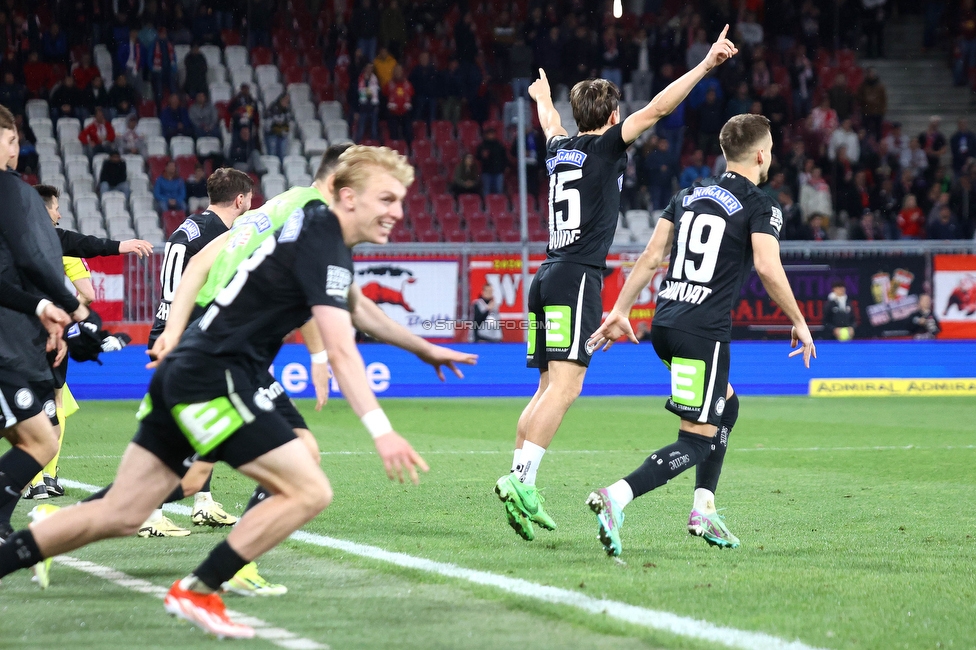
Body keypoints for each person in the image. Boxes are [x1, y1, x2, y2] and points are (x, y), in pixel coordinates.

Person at [0, 146, 433, 638]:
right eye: (388, 199)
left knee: (123, 512)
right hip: (217, 375)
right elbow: (339, 341)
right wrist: (381, 430)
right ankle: (203, 585)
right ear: (347, 194)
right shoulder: (317, 226)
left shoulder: (310, 225)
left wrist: (425, 349)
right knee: (308, 484)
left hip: (196, 366)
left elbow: (348, 305)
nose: (398, 211)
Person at [494, 27, 739, 544]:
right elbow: (657, 109)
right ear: (610, 118)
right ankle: (522, 482)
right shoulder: (607, 146)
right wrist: (706, 66)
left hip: (546, 274)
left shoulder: (561, 148)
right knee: (567, 385)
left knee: (545, 386)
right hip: (577, 275)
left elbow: (551, 124)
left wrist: (541, 99)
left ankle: (519, 478)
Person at [585, 114, 817, 557]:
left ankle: (703, 507)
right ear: (762, 154)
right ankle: (616, 497)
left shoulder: (688, 193)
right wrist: (800, 320)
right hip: (703, 331)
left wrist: (620, 309)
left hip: (667, 323)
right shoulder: (761, 204)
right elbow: (768, 267)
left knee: (725, 404)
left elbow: (653, 256)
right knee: (695, 439)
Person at [0, 105, 89, 545]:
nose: (16, 149)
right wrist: (72, 308)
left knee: (38, 437)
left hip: (20, 335)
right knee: (40, 440)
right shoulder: (10, 191)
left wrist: (41, 309)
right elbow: (36, 257)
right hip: (7, 343)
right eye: (11, 139)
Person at [385, 65, 413, 144]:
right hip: (393, 113)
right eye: (396, 71)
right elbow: (384, 95)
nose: (398, 73)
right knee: (393, 133)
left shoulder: (407, 84)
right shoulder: (389, 84)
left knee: (408, 132)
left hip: (405, 113)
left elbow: (411, 95)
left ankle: (409, 149)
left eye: (399, 71)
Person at [476, 127, 507, 196]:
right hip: (487, 172)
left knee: (499, 191)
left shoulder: (499, 145)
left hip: (498, 171)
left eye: (492, 134)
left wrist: (504, 167)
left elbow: (504, 157)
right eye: (489, 134)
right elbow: (478, 157)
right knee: (486, 191)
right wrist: (482, 156)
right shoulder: (482, 146)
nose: (491, 136)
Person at [264, 93, 293, 161]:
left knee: (282, 154)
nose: (286, 102)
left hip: (282, 135)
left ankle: (281, 169)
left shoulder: (287, 110)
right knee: (272, 155)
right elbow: (267, 123)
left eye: (288, 100)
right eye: (285, 100)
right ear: (281, 99)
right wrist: (277, 123)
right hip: (272, 134)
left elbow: (289, 122)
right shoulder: (273, 107)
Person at [355, 63, 380, 142]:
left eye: (371, 68)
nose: (369, 70)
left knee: (374, 130)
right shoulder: (360, 79)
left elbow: (378, 94)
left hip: (373, 107)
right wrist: (356, 110)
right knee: (361, 130)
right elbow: (356, 95)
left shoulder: (375, 80)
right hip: (362, 108)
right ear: (365, 69)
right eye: (368, 68)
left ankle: (374, 147)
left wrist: (377, 106)